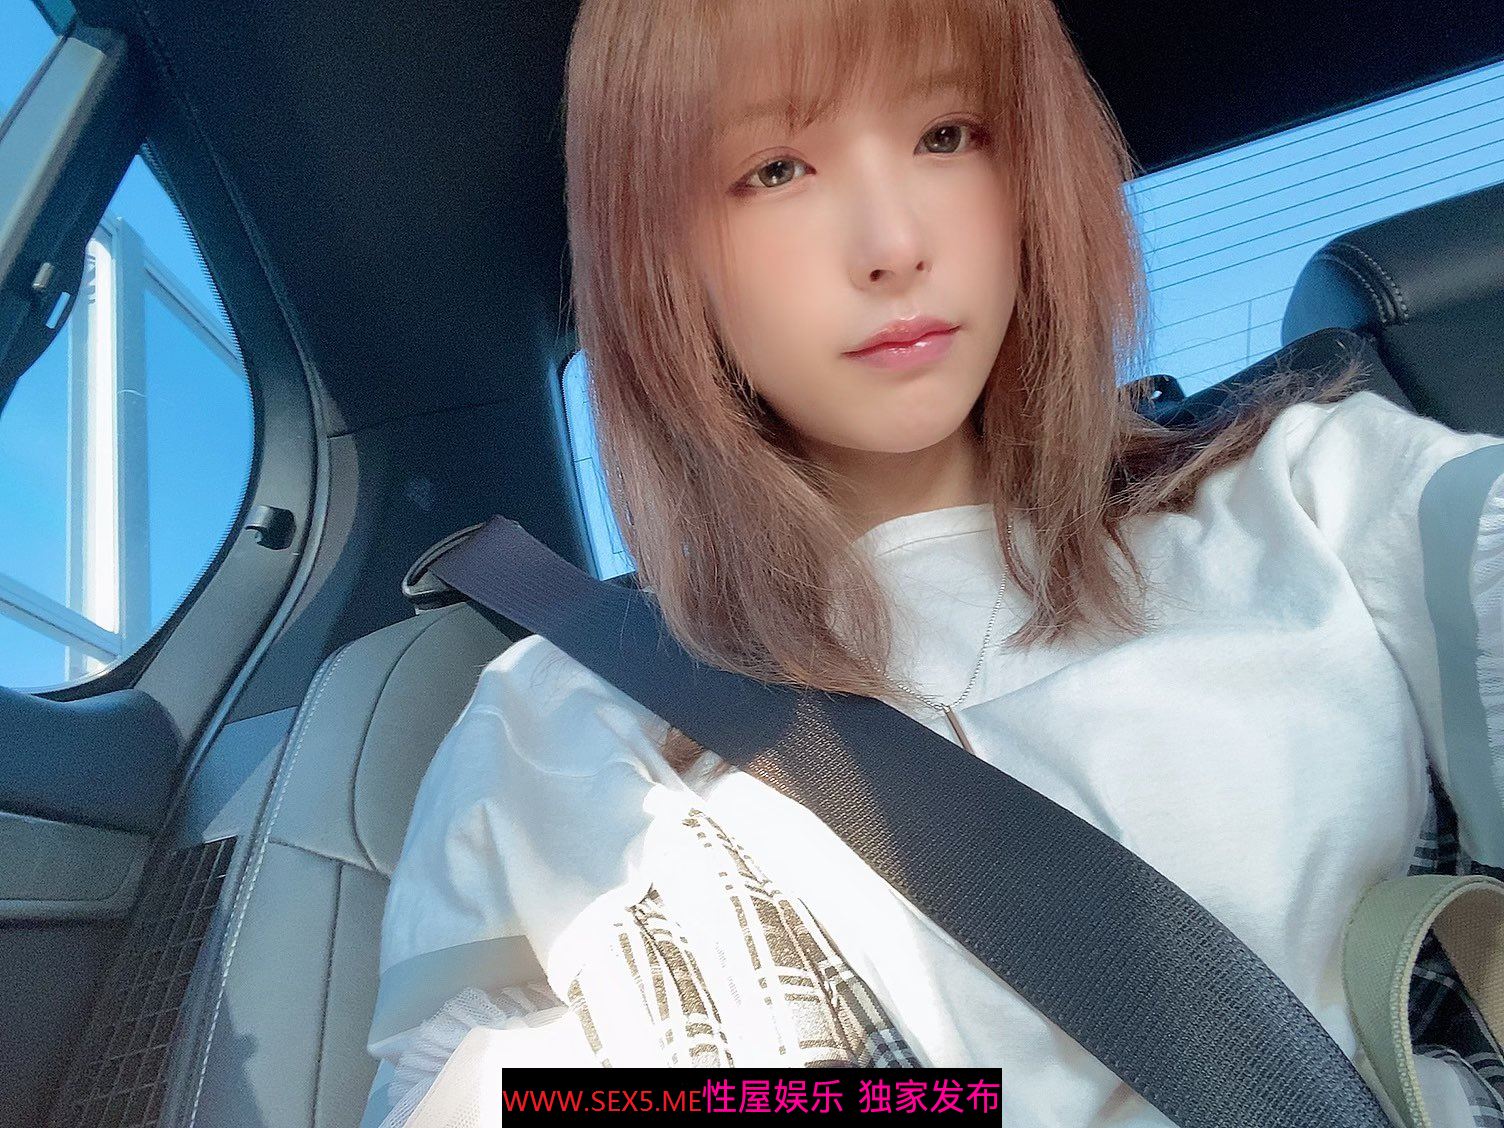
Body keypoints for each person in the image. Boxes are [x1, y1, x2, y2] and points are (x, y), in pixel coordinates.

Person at [364, 0, 1504, 1124]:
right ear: (661, 254)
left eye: (947, 135)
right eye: (775, 169)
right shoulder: (558, 718)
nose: (894, 245)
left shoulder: (1319, 495)